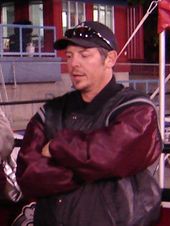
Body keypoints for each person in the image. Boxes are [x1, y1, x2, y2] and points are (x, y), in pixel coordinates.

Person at [16, 21, 162, 226]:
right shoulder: (51, 111)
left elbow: (110, 155)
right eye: (69, 56)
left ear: (110, 59)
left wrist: (57, 146)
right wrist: (93, 170)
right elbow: (28, 175)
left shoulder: (136, 108)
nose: (74, 63)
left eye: (84, 55)